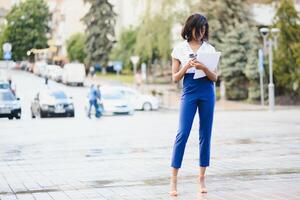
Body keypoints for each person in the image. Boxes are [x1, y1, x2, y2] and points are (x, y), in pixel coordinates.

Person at [169, 13, 218, 196]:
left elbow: (215, 77)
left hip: (207, 91)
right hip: (189, 92)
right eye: (199, 28)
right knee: (182, 134)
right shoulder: (179, 49)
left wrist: (204, 68)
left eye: (204, 29)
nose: (202, 32)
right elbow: (174, 78)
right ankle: (173, 181)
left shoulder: (210, 49)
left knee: (205, 134)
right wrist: (186, 67)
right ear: (191, 28)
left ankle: (202, 178)